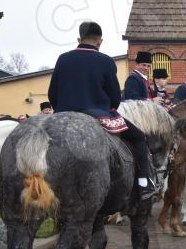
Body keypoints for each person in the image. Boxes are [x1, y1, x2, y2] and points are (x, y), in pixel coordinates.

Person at [47, 21, 155, 199]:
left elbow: (52, 93)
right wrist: (107, 108)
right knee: (138, 137)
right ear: (100, 41)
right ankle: (144, 183)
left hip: (64, 114)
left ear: (79, 39)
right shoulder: (106, 61)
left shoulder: (63, 58)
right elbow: (115, 97)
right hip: (97, 114)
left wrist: (61, 111)